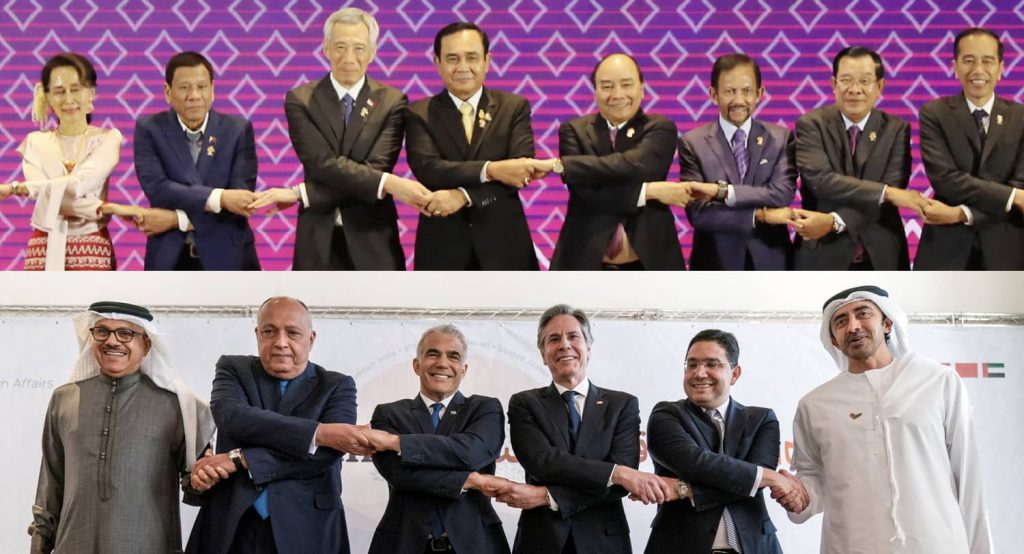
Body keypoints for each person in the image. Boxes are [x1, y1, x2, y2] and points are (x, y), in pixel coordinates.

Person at [784, 285, 993, 553]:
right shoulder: (814, 405)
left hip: (936, 542)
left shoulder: (938, 381)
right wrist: (799, 496)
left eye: (863, 313)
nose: (853, 326)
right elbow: (814, 481)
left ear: (887, 323)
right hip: (851, 545)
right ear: (833, 340)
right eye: (841, 321)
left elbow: (968, 477)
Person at [185, 296, 372, 554]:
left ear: (311, 338)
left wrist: (241, 459)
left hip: (308, 528)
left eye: (292, 333)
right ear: (257, 334)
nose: (280, 342)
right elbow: (234, 418)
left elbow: (324, 456)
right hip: (233, 525)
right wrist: (317, 433)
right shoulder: (233, 368)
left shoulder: (337, 385)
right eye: (269, 331)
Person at [253, 7, 431, 270]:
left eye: (359, 48)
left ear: (372, 52)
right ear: (325, 49)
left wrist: (300, 194)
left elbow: (376, 169)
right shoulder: (301, 99)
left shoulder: (392, 101)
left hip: (373, 237)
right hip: (318, 239)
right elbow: (321, 165)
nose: (349, 57)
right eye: (339, 47)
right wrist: (388, 183)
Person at [29, 301, 213, 553]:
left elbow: (196, 487)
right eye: (102, 331)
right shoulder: (64, 399)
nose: (112, 341)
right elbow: (50, 485)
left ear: (146, 344)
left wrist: (202, 479)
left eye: (125, 333)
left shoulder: (179, 406)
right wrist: (38, 544)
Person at [504, 304, 673, 554]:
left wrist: (548, 496)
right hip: (541, 540)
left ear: (588, 348)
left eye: (573, 336)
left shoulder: (622, 404)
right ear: (543, 353)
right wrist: (616, 473)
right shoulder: (524, 403)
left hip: (604, 541)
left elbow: (620, 484)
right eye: (553, 339)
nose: (564, 345)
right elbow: (544, 462)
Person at [404, 21, 546, 270]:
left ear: (487, 61)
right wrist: (492, 169)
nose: (463, 67)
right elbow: (429, 169)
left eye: (472, 57)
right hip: (442, 244)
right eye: (452, 58)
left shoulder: (513, 107)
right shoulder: (418, 113)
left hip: (505, 243)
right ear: (437, 63)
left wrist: (463, 196)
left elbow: (520, 172)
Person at [362, 324, 511, 553]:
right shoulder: (388, 414)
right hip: (403, 544)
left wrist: (397, 443)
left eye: (453, 356)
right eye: (433, 354)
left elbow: (470, 453)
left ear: (463, 369)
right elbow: (400, 474)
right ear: (416, 365)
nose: (443, 363)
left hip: (475, 545)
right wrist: (469, 481)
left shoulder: (485, 408)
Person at [645, 329, 791, 554]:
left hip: (755, 547)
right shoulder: (666, 414)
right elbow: (694, 463)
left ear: (734, 374)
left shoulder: (762, 419)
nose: (699, 373)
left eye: (712, 364)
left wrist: (684, 489)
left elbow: (751, 484)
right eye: (691, 365)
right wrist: (766, 477)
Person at [792, 47, 936, 270]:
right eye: (846, 80)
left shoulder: (897, 129)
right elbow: (822, 181)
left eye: (865, 81)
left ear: (879, 87)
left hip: (881, 254)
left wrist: (834, 222)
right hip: (821, 254)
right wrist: (885, 192)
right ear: (833, 84)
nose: (855, 89)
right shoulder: (811, 125)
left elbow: (891, 193)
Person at [548, 53, 688, 270]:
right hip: (583, 259)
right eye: (606, 86)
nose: (617, 94)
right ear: (595, 91)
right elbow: (586, 194)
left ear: (642, 88)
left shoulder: (660, 127)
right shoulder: (573, 130)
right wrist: (649, 192)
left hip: (652, 260)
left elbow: (636, 166)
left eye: (626, 85)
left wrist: (570, 165)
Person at [0, 53, 137, 271]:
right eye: (59, 91)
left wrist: (15, 188)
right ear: (47, 97)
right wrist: (108, 208)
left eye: (76, 89)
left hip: (91, 246)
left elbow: (78, 185)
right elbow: (52, 201)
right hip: (43, 246)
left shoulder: (108, 139)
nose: (68, 99)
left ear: (91, 92)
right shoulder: (35, 143)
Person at [133, 51, 261, 270]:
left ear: (212, 90)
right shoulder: (150, 129)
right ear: (167, 91)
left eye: (201, 87)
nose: (194, 95)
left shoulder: (237, 129)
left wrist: (177, 220)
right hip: (170, 257)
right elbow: (158, 189)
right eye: (184, 88)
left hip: (228, 256)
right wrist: (219, 197)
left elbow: (239, 201)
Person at [676, 53, 798, 270]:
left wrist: (723, 192)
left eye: (747, 91)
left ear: (760, 93)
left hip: (771, 260)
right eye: (730, 91)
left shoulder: (781, 138)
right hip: (715, 263)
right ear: (714, 94)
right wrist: (760, 215)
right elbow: (699, 213)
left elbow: (782, 193)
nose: (739, 100)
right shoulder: (692, 143)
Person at [916, 27, 1024, 269]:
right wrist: (1012, 196)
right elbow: (946, 179)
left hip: (1008, 244)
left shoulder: (1021, 117)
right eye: (968, 60)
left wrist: (961, 214)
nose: (978, 70)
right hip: (946, 246)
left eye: (988, 61)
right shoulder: (934, 113)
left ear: (1001, 68)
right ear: (955, 67)